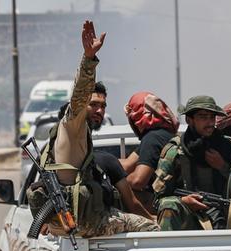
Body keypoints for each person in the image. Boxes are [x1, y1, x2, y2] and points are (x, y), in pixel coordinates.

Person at [27, 20, 158, 237]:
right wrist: (88, 59)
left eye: (103, 106)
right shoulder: (72, 126)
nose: (100, 110)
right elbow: (79, 96)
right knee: (151, 229)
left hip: (67, 221)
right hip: (83, 221)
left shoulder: (71, 140)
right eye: (94, 104)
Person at [152, 95, 231, 231]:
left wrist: (223, 167)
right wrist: (184, 201)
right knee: (168, 205)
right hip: (192, 218)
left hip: (228, 212)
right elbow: (158, 200)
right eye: (203, 117)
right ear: (189, 120)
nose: (209, 122)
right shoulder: (175, 151)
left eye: (212, 117)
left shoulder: (228, 145)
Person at [120, 92, 179, 212]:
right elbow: (127, 164)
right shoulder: (163, 135)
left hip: (164, 204)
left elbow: (138, 181)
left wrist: (118, 182)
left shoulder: (152, 138)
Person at [93, 151, 155, 221]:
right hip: (103, 220)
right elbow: (133, 205)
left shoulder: (83, 164)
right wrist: (152, 219)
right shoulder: (107, 159)